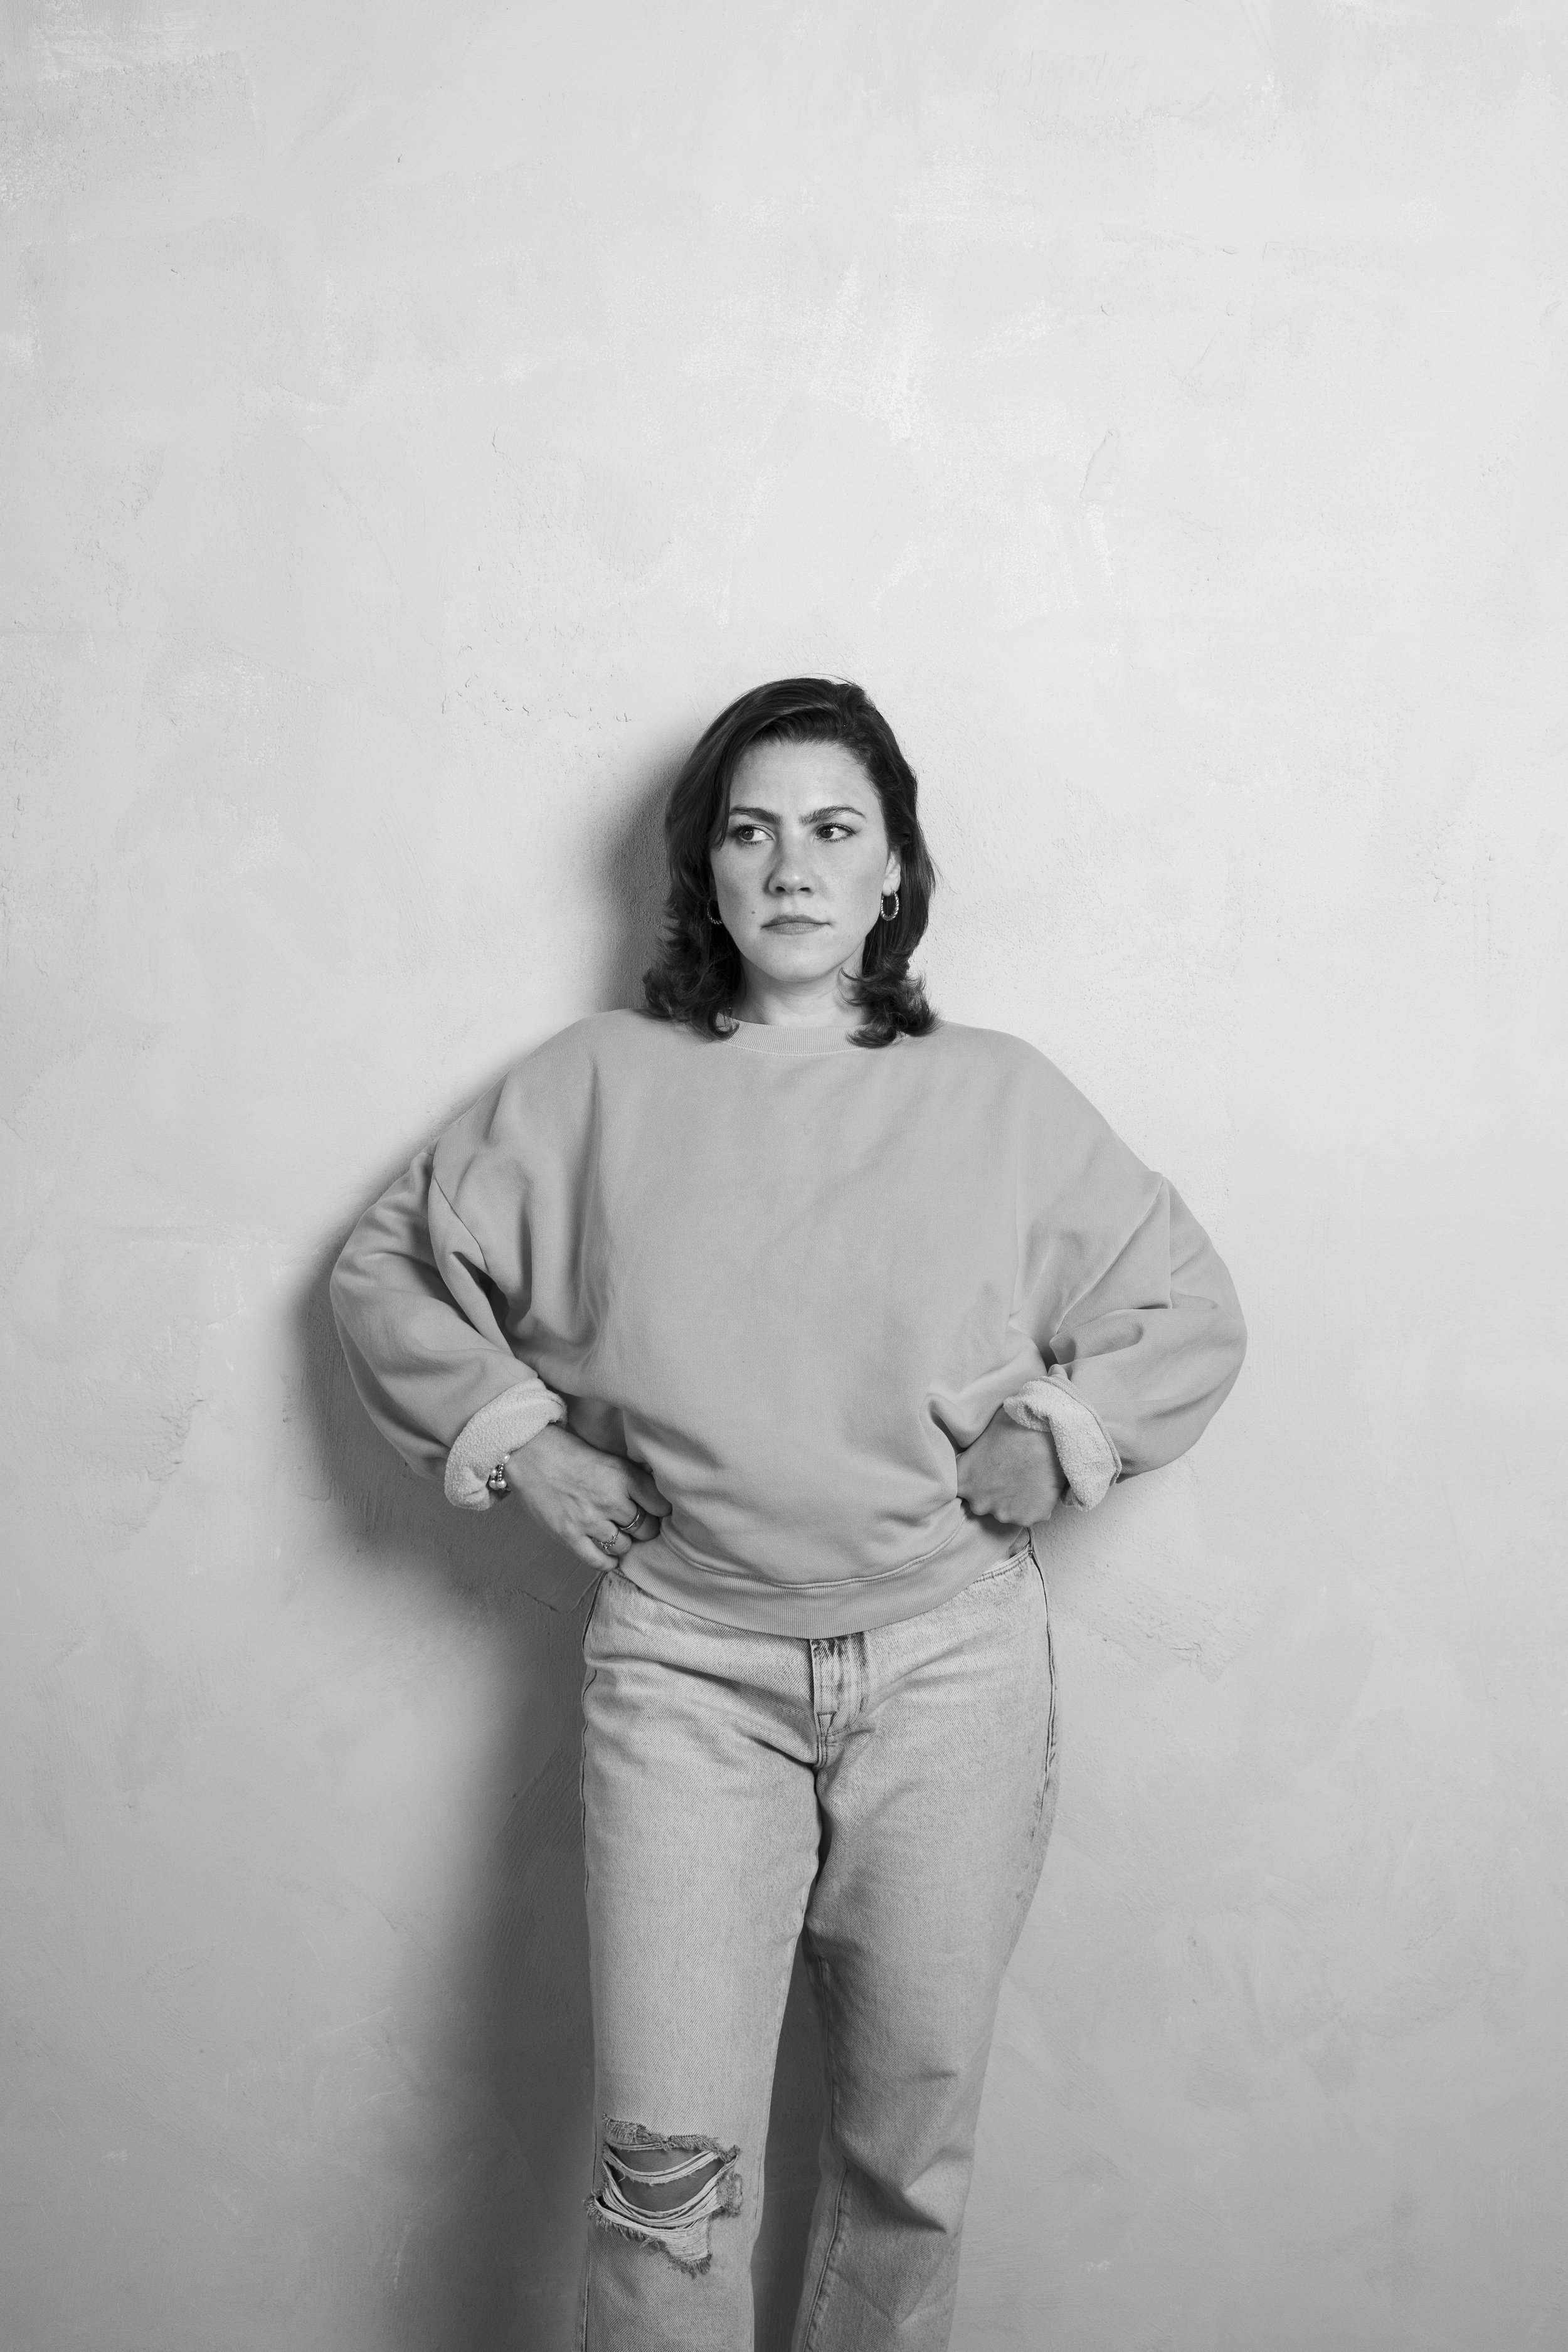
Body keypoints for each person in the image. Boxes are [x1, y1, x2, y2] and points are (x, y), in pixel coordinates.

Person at [329, 675, 1247, 2351]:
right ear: (703, 867)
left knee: (909, 2162)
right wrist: (519, 1439)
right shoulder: (594, 1087)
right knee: (664, 2173)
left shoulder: (999, 1096)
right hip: (688, 1674)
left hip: (953, 1668)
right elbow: (388, 1265)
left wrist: (1067, 1436)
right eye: (750, 831)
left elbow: (1182, 1307)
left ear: (894, 868)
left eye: (833, 830)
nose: (792, 868)